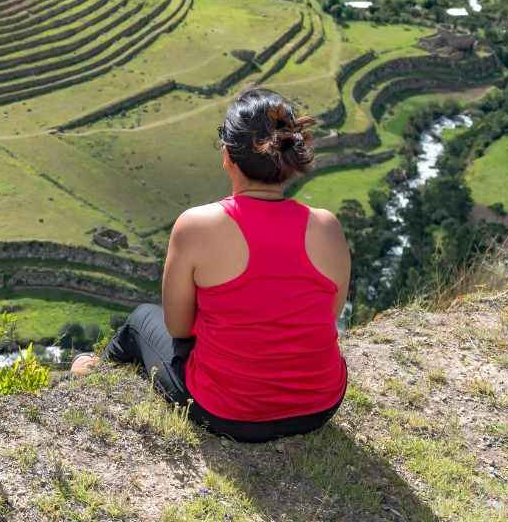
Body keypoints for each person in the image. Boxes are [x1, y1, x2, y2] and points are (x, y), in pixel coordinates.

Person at [73, 88, 350, 442]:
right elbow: (330, 312)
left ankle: (92, 373)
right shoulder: (327, 226)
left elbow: (178, 327)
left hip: (226, 413)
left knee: (140, 320)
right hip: (320, 406)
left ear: (227, 156)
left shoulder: (196, 226)